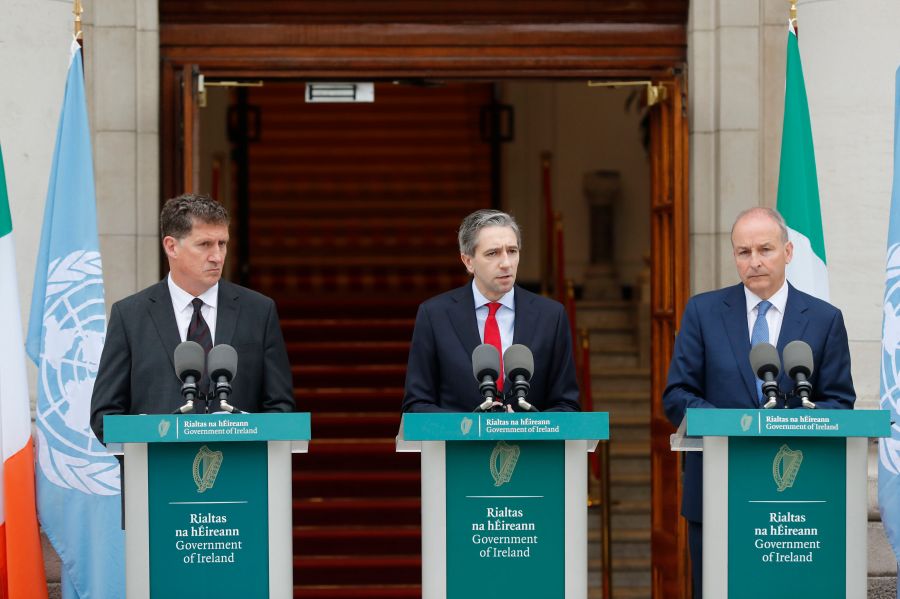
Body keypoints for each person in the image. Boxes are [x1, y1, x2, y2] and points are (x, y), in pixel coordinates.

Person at [662, 206, 855, 597]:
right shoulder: (703, 312)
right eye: (743, 252)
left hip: (795, 502)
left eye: (764, 249)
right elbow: (677, 395)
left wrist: (799, 422)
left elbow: (839, 402)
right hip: (718, 490)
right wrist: (729, 428)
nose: (754, 261)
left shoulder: (824, 319)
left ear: (787, 252)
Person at [90, 194, 294, 442]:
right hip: (159, 475)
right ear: (171, 246)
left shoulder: (259, 311)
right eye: (205, 244)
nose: (217, 256)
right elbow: (105, 415)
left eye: (222, 243)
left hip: (240, 473)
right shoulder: (130, 316)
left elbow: (280, 408)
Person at [402, 209, 580, 413]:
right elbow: (416, 406)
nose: (506, 263)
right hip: (459, 444)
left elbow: (567, 405)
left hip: (531, 444)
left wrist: (528, 426)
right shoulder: (434, 315)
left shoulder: (551, 316)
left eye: (512, 251)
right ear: (468, 261)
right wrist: (474, 427)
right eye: (493, 253)